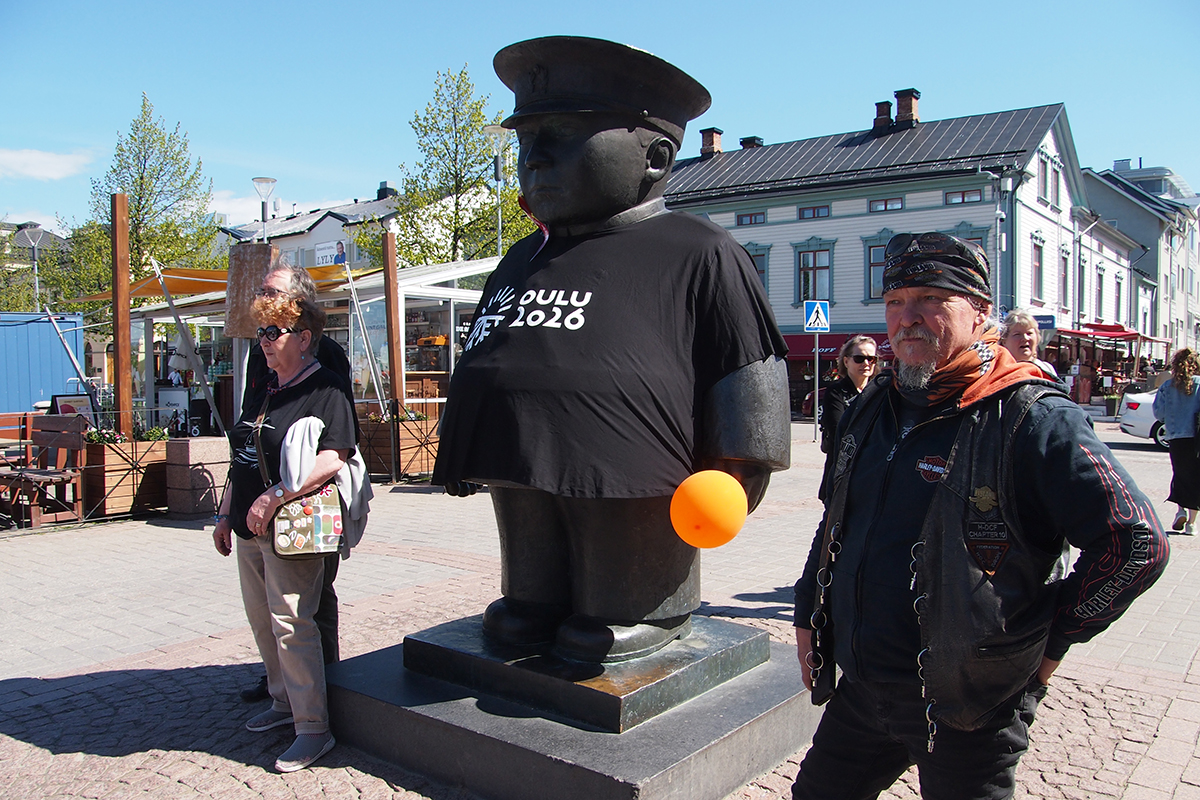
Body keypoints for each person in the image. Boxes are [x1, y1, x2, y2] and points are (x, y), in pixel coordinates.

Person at [433, 36, 791, 663]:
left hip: (642, 487)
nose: (534, 158)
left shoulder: (697, 249)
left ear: (654, 156)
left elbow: (746, 361)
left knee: (614, 551)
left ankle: (640, 606)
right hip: (519, 458)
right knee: (527, 542)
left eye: (562, 135)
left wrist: (742, 461)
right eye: (525, 139)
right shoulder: (524, 256)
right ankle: (533, 597)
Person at [792, 232, 1168, 800]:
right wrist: (807, 609)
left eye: (930, 299)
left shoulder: (1031, 416)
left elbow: (1137, 544)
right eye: (895, 301)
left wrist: (1053, 641)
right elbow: (836, 517)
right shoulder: (875, 404)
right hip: (864, 692)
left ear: (981, 312)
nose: (907, 318)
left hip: (969, 708)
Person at [212, 286, 358, 773]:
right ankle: (282, 702)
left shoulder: (326, 387)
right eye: (261, 332)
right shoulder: (266, 384)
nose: (265, 342)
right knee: (261, 618)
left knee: (293, 623)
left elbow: (336, 455)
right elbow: (244, 453)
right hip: (250, 525)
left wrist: (275, 496)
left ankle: (313, 728)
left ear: (304, 337)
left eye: (275, 332)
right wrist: (226, 511)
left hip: (292, 523)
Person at [238, 259, 359, 703]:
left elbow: (337, 441)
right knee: (280, 606)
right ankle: (289, 686)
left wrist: (283, 489)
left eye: (273, 292)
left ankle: (325, 683)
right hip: (264, 499)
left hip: (305, 500)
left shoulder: (325, 357)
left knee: (312, 597)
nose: (263, 299)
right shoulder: (263, 348)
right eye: (264, 292)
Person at [817, 336, 877, 501]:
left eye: (871, 359)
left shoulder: (879, 392)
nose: (866, 363)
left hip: (871, 472)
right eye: (859, 358)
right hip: (841, 471)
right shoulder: (836, 393)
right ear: (846, 361)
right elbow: (840, 432)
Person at [1153, 348, 1200, 534]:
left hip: (1176, 437)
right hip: (1197, 437)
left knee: (1180, 474)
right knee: (1196, 477)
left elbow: (1159, 414)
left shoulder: (1167, 386)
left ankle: (1180, 510)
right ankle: (1192, 523)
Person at [1001, 309, 1058, 378]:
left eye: (1029, 333)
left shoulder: (1047, 369)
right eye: (1017, 334)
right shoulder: (998, 370)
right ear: (1004, 340)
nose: (1025, 338)